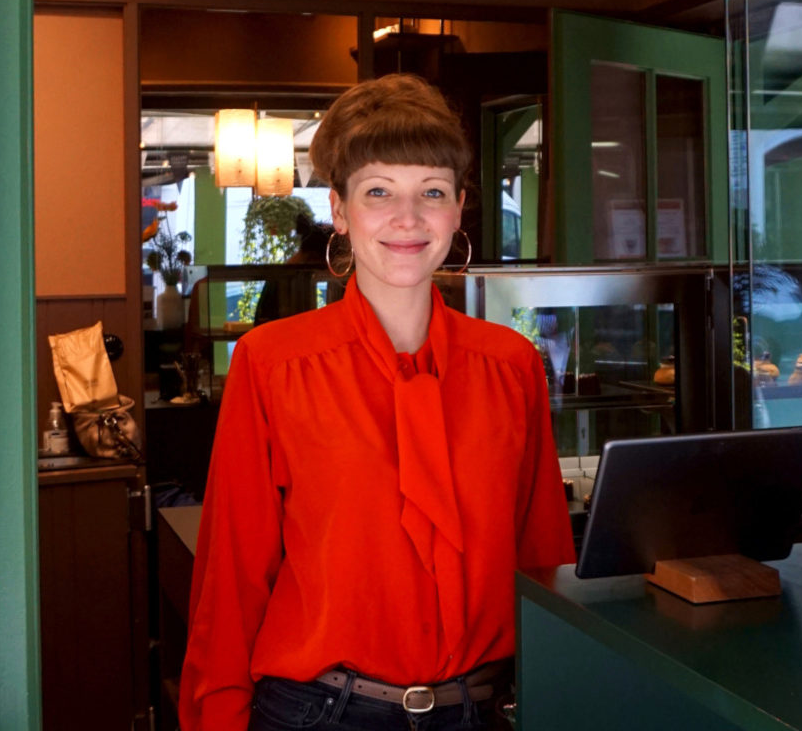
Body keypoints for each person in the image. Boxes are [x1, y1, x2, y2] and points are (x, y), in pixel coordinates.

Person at [179, 73, 576, 731]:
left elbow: (544, 560)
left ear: (458, 209)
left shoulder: (510, 365)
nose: (408, 218)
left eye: (432, 192)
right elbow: (231, 579)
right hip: (318, 712)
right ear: (340, 210)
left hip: (484, 711)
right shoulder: (272, 364)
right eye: (378, 192)